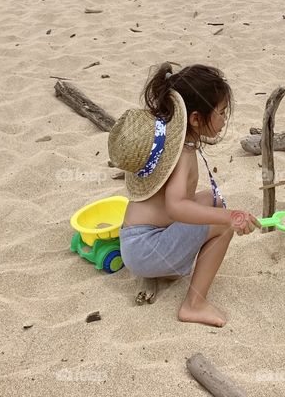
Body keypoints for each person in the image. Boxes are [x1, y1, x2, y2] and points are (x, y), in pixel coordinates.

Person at [110, 63, 260, 327]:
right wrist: (229, 217)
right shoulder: (184, 155)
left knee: (212, 201)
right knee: (221, 223)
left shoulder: (168, 144)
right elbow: (177, 207)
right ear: (195, 119)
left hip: (136, 242)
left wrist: (221, 210)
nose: (224, 119)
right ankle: (194, 304)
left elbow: (172, 206)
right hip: (145, 250)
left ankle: (168, 271)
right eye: (221, 112)